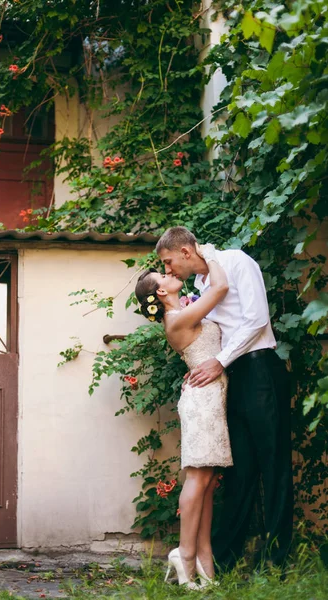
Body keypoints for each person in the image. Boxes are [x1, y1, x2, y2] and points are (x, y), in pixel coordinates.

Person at [156, 226, 293, 570]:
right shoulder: (203, 287)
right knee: (240, 472)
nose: (169, 270)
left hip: (260, 369)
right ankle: (225, 558)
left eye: (169, 262)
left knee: (273, 465)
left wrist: (218, 361)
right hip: (232, 378)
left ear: (186, 252)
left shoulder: (235, 261)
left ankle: (277, 562)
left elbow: (257, 318)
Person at [135, 243, 233, 589]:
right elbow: (220, 287)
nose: (170, 271)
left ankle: (204, 560)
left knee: (207, 482)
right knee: (197, 478)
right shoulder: (176, 319)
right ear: (161, 291)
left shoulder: (185, 309)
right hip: (202, 402)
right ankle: (185, 554)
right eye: (163, 273)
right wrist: (210, 254)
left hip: (211, 396)